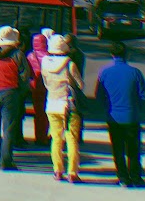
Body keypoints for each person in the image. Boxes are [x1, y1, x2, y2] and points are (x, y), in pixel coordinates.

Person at [95, 41, 145, 187]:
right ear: (127, 54)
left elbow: (99, 96)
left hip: (113, 117)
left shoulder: (104, 72)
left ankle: (123, 177)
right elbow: (144, 95)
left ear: (112, 54)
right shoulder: (135, 72)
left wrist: (107, 108)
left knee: (117, 149)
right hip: (132, 116)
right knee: (133, 149)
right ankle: (136, 177)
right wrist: (137, 108)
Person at [0, 26, 30, 171]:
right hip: (10, 92)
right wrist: (20, 93)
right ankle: (6, 161)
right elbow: (25, 77)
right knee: (9, 129)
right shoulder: (18, 55)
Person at [42, 34, 85, 183]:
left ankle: (57, 170)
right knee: (71, 138)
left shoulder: (45, 62)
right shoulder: (69, 64)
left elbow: (45, 82)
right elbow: (80, 84)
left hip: (52, 103)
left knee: (56, 138)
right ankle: (72, 172)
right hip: (68, 105)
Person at [27, 33, 50, 147]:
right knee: (46, 113)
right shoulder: (49, 56)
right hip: (48, 87)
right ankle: (44, 136)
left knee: (38, 113)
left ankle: (38, 136)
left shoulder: (30, 55)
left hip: (35, 87)